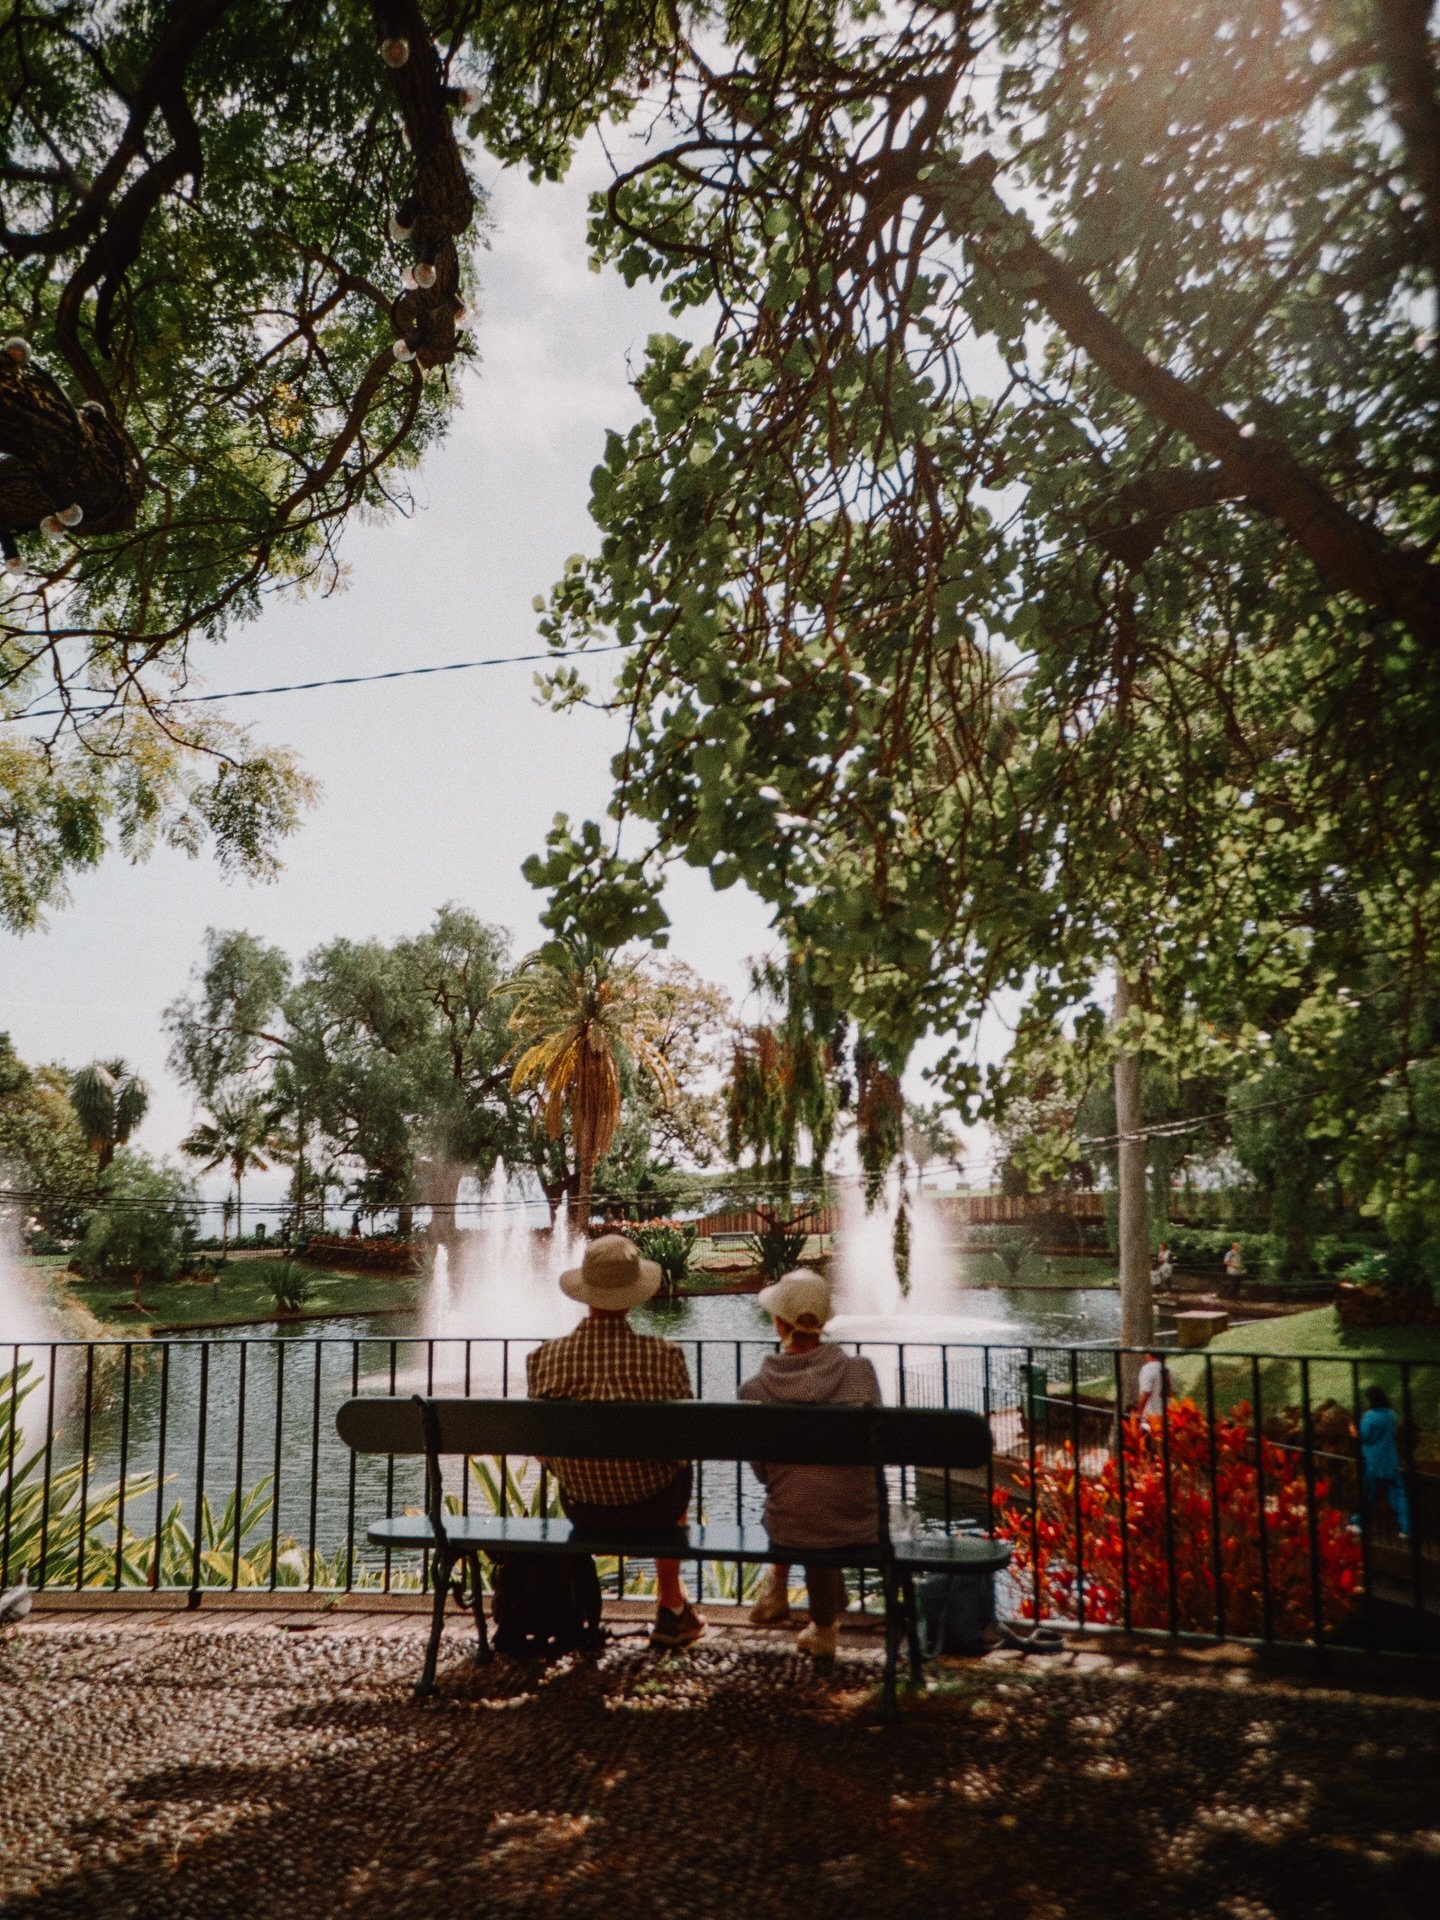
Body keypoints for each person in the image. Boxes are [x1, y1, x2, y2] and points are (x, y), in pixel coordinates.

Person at [527, 1234, 705, 1650]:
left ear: (586, 1294)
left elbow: (542, 1446)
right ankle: (670, 1606)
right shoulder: (665, 1355)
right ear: (633, 1297)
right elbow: (687, 1441)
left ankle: (663, 1606)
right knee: (677, 1471)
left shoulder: (545, 1358)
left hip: (583, 1507)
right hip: (657, 1507)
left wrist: (579, 1473)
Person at [738, 1269, 883, 1659]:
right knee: (825, 1495)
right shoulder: (861, 1373)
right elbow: (873, 1453)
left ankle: (792, 1603)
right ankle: (821, 1622)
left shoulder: (754, 1391)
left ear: (778, 1322)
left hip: (791, 1522)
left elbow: (763, 1472)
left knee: (800, 1499)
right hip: (859, 1518)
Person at [1352, 1384, 1411, 1539]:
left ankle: (1359, 1523)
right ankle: (1405, 1528)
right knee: (1398, 1493)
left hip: (1372, 1461)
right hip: (1390, 1460)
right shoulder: (1391, 1415)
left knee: (1368, 1493)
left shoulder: (1370, 1416)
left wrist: (1353, 1432)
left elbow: (1365, 1437)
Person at [1134, 1346, 1171, 1424]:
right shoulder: (1168, 1369)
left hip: (1151, 1418)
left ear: (1149, 1355)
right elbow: (1171, 1393)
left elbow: (1146, 1393)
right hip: (1167, 1417)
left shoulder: (1147, 1368)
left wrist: (1138, 1413)